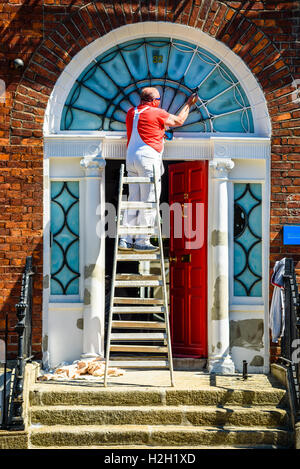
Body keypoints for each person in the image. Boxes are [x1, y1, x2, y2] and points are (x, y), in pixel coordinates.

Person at [119, 87, 198, 252]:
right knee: (149, 199)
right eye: (159, 100)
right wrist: (189, 104)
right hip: (148, 158)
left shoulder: (131, 112)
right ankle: (142, 240)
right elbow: (179, 121)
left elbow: (148, 127)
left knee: (134, 199)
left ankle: (125, 239)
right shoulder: (156, 112)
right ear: (154, 101)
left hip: (131, 157)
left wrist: (159, 131)